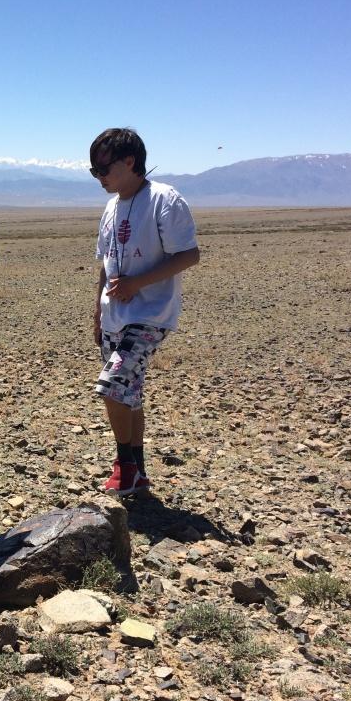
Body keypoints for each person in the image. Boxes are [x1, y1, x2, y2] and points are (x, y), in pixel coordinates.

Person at [89, 128, 200, 497]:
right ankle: (137, 472)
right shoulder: (111, 207)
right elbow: (105, 264)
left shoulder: (164, 199)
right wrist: (97, 311)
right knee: (129, 393)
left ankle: (124, 466)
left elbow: (189, 254)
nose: (99, 177)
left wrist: (137, 283)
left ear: (130, 161)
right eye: (94, 170)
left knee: (112, 386)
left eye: (104, 168)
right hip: (114, 316)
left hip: (151, 314)